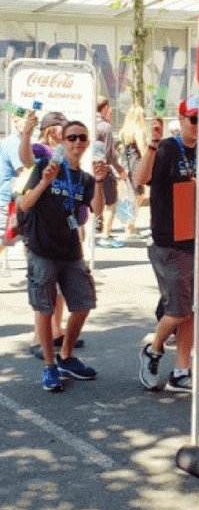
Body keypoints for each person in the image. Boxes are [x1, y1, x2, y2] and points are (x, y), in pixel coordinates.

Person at [135, 95, 199, 395]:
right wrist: (153, 144)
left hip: (198, 238)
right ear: (181, 121)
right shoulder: (168, 148)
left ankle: (181, 371)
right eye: (194, 120)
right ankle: (153, 350)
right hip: (170, 241)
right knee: (180, 309)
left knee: (195, 308)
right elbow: (140, 180)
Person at [18, 120, 107, 392]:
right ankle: (49, 366)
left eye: (82, 137)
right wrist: (45, 181)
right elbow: (25, 204)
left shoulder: (86, 179)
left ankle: (66, 355)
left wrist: (101, 182)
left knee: (83, 304)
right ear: (63, 141)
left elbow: (98, 210)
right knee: (44, 309)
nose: (77, 142)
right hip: (42, 249)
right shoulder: (48, 169)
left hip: (70, 251)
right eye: (72, 137)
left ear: (87, 142)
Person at [19, 110, 85, 358]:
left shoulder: (68, 152)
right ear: (50, 129)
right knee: (44, 286)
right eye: (62, 128)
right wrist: (26, 133)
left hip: (64, 226)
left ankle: (56, 330)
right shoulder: (41, 151)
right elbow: (25, 160)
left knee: (58, 288)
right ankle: (40, 338)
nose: (67, 132)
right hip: (39, 226)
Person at [96, 96, 127, 248]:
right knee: (110, 203)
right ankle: (105, 236)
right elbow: (110, 154)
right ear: (105, 109)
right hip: (103, 169)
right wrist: (120, 170)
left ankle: (92, 235)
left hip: (88, 169)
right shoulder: (105, 127)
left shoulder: (87, 123)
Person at [118, 104, 147, 237]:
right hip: (136, 162)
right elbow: (142, 148)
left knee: (130, 193)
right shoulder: (138, 130)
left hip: (126, 162)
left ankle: (128, 224)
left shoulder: (124, 131)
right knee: (139, 193)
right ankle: (130, 225)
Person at [0, 115, 26, 252]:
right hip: (9, 197)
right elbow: (23, 170)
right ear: (16, 124)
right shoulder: (15, 143)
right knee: (5, 236)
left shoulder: (18, 141)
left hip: (12, 196)